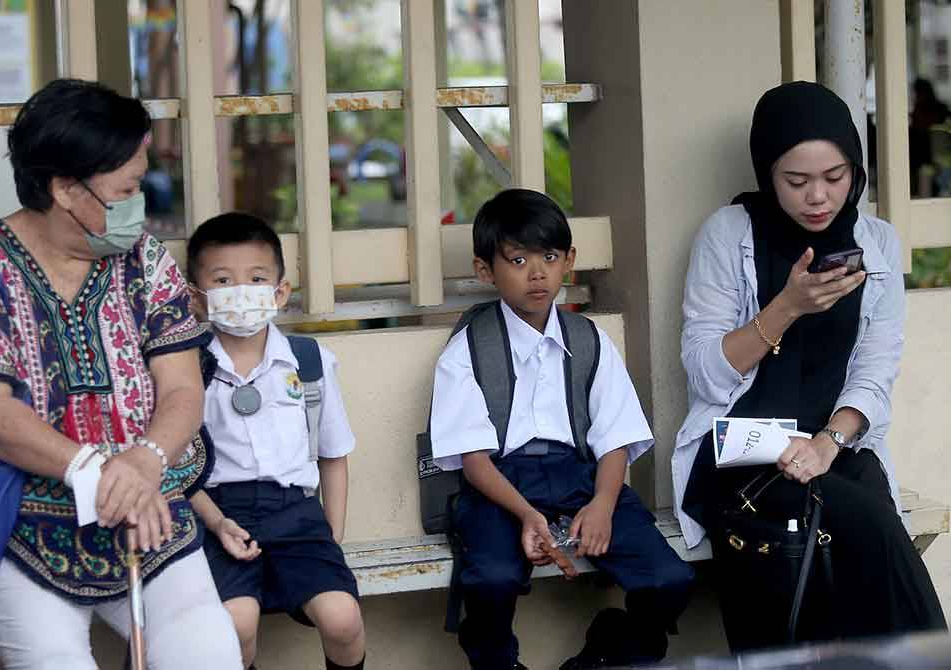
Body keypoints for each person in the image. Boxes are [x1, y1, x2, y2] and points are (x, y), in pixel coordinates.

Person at [0, 79, 241, 668]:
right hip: (16, 529)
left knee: (208, 653)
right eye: (128, 188)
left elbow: (183, 387)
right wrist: (98, 470)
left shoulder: (146, 260)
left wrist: (147, 461)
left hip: (150, 508)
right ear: (64, 188)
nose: (141, 201)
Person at [675, 81, 947, 651]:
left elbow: (876, 367)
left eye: (835, 177)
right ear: (767, 172)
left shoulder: (877, 243)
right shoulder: (728, 236)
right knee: (866, 526)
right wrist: (787, 307)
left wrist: (828, 441)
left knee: (866, 519)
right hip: (740, 451)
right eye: (796, 182)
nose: (818, 197)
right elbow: (704, 371)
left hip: (835, 449)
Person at [429, 189, 694, 670]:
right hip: (499, 486)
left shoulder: (589, 340)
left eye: (549, 257)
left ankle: (614, 650)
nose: (537, 273)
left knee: (668, 579)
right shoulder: (469, 348)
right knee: (489, 578)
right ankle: (496, 660)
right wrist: (528, 515)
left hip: (580, 478)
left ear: (568, 260)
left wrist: (603, 505)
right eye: (518, 259)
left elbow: (615, 439)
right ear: (486, 269)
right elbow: (473, 460)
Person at [185, 213, 365, 670]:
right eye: (223, 280)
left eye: (257, 278)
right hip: (219, 515)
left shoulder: (308, 361)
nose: (241, 291)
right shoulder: (185, 368)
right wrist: (213, 517)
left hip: (298, 515)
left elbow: (334, 455)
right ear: (197, 298)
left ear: (280, 291)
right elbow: (178, 466)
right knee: (236, 623)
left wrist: (332, 534)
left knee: (343, 619)